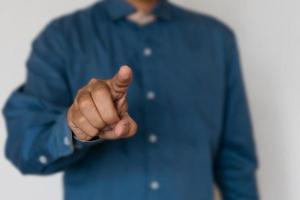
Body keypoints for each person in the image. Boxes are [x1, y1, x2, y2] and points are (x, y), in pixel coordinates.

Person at [3, 0, 259, 199]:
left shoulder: (217, 39)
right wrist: (75, 127)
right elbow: (25, 149)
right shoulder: (61, 38)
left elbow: (236, 163)